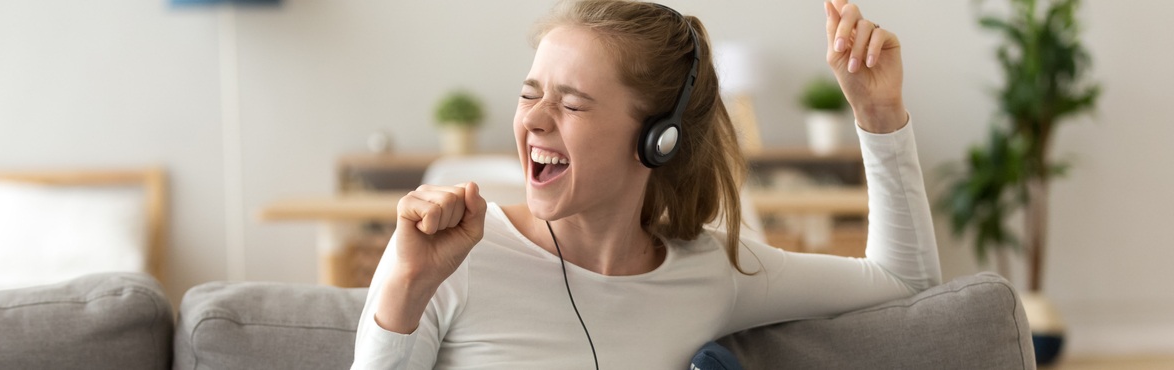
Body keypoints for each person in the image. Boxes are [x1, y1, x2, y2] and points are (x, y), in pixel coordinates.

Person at [353, 0, 941, 369]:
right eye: (530, 94)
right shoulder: (444, 258)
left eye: (573, 104)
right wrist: (407, 286)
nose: (533, 120)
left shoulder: (711, 274)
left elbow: (904, 282)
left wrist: (879, 112)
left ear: (658, 139)